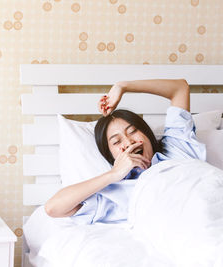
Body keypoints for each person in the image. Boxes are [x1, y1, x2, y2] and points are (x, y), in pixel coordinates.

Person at [44, 79, 206, 223]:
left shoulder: (176, 147)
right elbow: (53, 208)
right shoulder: (116, 193)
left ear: (147, 134)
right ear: (111, 155)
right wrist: (113, 174)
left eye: (133, 131)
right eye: (116, 141)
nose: (129, 142)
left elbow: (179, 88)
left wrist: (123, 86)